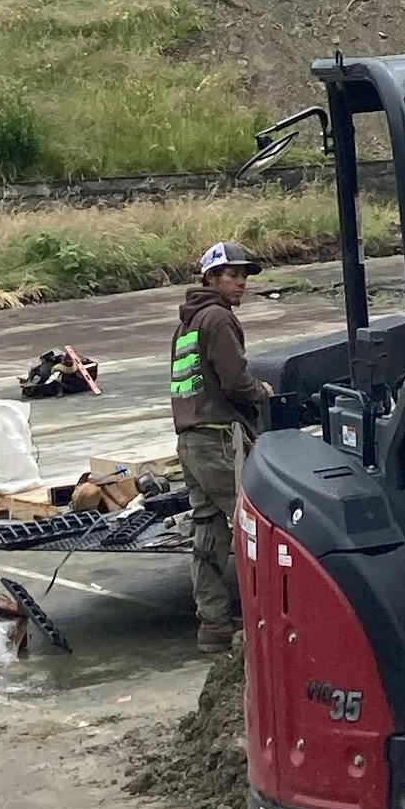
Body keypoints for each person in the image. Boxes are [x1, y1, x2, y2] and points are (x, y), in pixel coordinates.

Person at [169, 239, 263, 653]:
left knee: (207, 531)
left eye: (243, 276)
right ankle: (265, 622)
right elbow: (235, 381)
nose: (240, 283)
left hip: (189, 439)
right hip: (219, 438)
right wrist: (262, 391)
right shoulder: (219, 320)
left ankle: (214, 625)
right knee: (256, 527)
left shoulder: (186, 323)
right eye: (232, 275)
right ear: (210, 278)